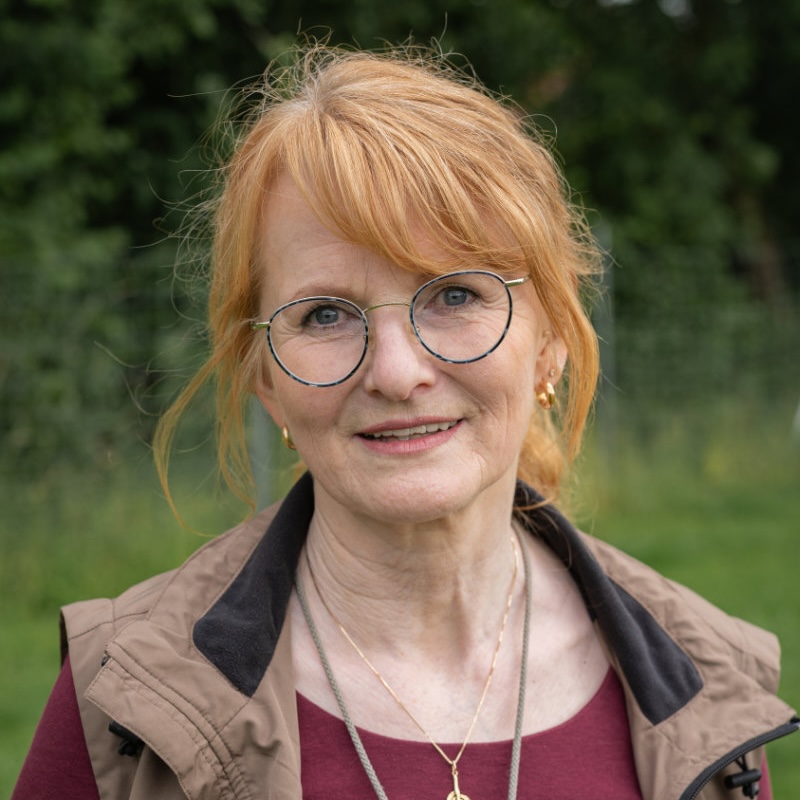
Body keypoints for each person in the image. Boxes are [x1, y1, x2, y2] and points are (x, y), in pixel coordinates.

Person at [13, 42, 797, 800]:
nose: (395, 371)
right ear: (263, 377)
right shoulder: (122, 702)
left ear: (551, 338)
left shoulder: (702, 689)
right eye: (324, 314)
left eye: (455, 295)